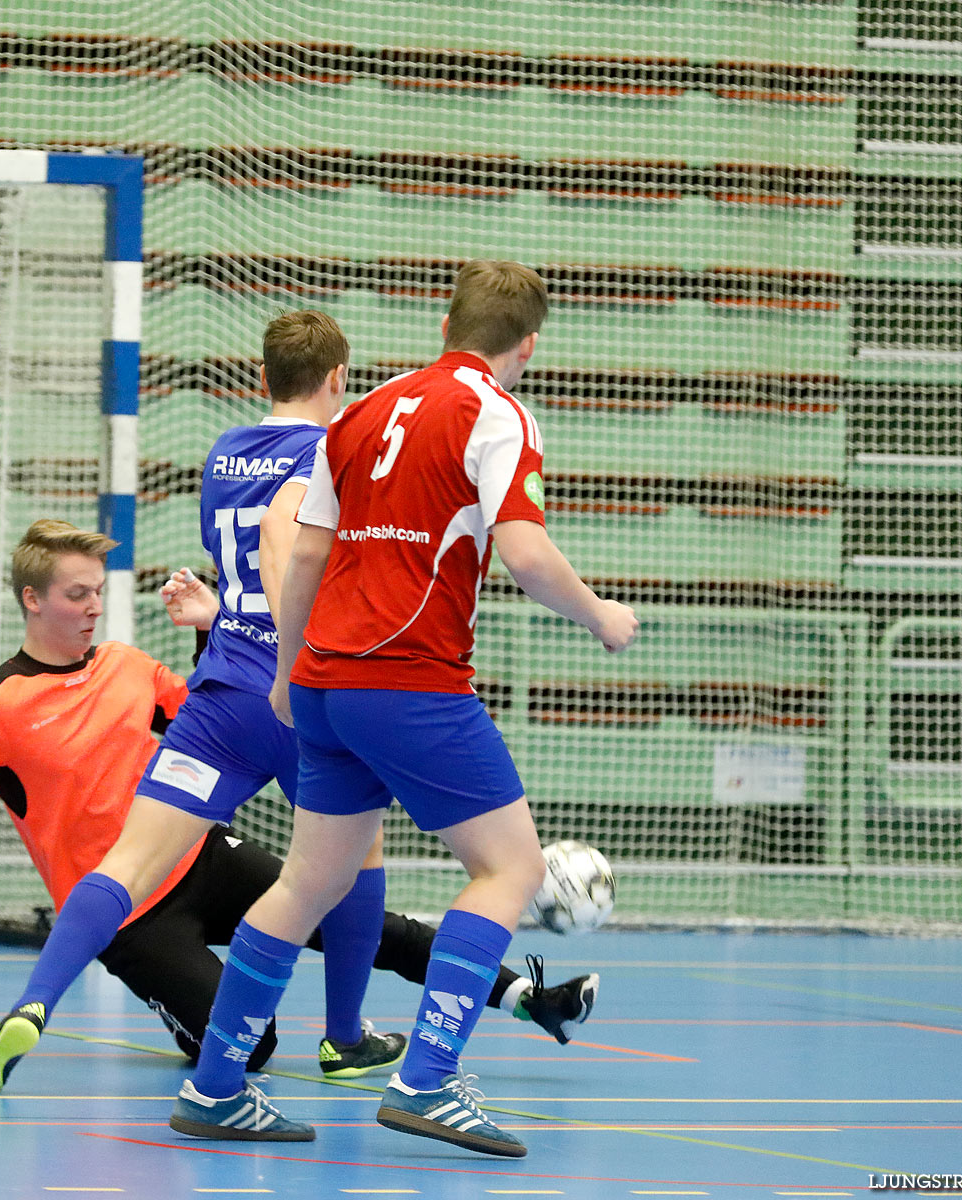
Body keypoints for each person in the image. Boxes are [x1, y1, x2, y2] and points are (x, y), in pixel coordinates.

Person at [0, 519, 597, 1085]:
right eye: (76, 594)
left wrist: (209, 627)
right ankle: (157, 1014)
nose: (92, 607)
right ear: (32, 600)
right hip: (127, 912)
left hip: (204, 858)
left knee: (364, 919)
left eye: (98, 593)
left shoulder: (123, 664)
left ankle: (528, 999)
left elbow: (203, 714)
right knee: (248, 1047)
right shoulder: (2, 704)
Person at [170, 261, 640, 1157]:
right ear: (527, 344)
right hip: (409, 679)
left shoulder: (362, 410)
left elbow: (306, 556)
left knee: (309, 882)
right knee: (508, 870)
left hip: (321, 682)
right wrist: (601, 616)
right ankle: (427, 1079)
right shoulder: (496, 412)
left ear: (445, 322)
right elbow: (527, 553)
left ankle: (217, 1086)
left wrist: (287, 674)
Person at [0, 311, 427, 1092]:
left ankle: (32, 1006)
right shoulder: (337, 454)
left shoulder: (225, 455)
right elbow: (307, 562)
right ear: (340, 380)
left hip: (223, 698)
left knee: (128, 864)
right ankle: (344, 1038)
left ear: (263, 379)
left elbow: (240, 566)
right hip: (305, 696)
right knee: (352, 862)